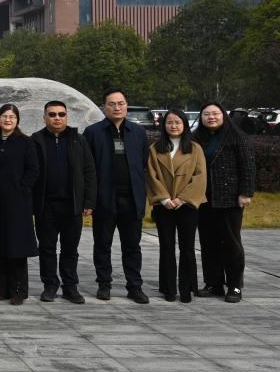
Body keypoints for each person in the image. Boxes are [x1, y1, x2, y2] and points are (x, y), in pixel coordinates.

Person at [83, 88, 150, 304]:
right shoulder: (93, 132)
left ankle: (134, 286)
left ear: (126, 105)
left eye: (121, 103)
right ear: (104, 107)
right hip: (104, 198)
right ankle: (104, 284)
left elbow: (143, 163)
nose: (117, 107)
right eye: (112, 104)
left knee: (132, 246)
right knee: (102, 244)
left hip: (131, 198)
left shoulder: (138, 132)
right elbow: (87, 168)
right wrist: (90, 199)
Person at [32, 101, 96, 304]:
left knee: (70, 249)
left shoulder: (78, 140)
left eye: (61, 114)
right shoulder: (36, 140)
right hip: (45, 206)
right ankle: (50, 286)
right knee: (47, 248)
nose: (57, 118)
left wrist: (89, 201)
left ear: (67, 116)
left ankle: (70, 287)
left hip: (72, 205)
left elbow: (89, 171)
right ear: (44, 117)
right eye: (52, 114)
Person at [0, 104, 40, 305]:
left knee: (16, 247)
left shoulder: (25, 142)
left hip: (18, 202)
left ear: (17, 120)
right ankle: (2, 288)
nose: (8, 120)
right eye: (4, 116)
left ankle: (19, 291)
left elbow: (33, 170)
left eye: (12, 117)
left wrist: (22, 190)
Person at [193, 102, 255, 303]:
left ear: (223, 115)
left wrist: (245, 192)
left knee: (231, 242)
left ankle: (235, 285)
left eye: (215, 113)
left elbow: (248, 166)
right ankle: (213, 283)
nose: (211, 117)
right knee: (208, 242)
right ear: (201, 117)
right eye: (206, 114)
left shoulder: (237, 137)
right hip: (204, 198)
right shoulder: (196, 138)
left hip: (229, 197)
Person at [146, 108, 207, 303]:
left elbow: (200, 177)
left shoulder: (195, 148)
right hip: (163, 206)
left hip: (187, 206)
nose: (174, 126)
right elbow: (151, 175)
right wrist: (164, 198)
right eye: (170, 122)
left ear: (184, 125)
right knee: (166, 246)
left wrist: (182, 198)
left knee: (187, 247)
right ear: (164, 125)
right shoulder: (155, 148)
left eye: (178, 122)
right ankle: (168, 288)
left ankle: (187, 289)